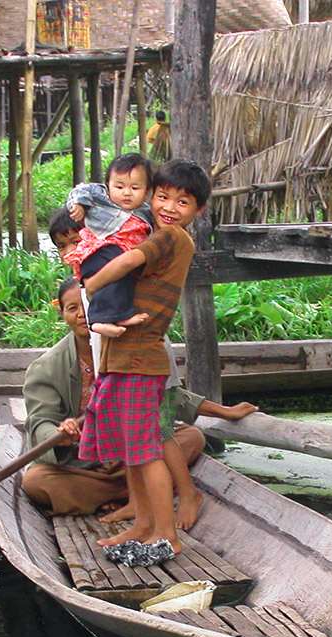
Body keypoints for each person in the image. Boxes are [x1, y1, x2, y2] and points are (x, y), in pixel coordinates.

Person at [22, 275, 257, 523]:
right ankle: (140, 492)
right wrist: (61, 434)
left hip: (133, 456)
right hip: (86, 466)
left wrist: (223, 412)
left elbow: (165, 396)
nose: (82, 315)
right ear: (61, 313)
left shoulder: (125, 344)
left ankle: (133, 495)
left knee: (192, 437)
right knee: (36, 482)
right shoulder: (46, 367)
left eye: (88, 305)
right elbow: (39, 423)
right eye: (72, 308)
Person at [77, 158, 212, 554]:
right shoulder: (153, 230)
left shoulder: (170, 237)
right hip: (123, 358)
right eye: (162, 197)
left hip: (140, 361)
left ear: (198, 211)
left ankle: (166, 532)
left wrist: (90, 283)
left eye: (182, 202)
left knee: (146, 451)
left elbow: (129, 260)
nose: (169, 207)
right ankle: (143, 523)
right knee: (130, 452)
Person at [64, 152, 154, 338]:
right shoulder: (101, 197)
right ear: (108, 186)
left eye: (135, 188)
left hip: (122, 254)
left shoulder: (146, 212)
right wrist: (79, 205)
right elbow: (79, 191)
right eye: (119, 186)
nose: (126, 192)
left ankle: (120, 315)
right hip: (100, 250)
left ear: (146, 192)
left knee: (125, 281)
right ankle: (98, 320)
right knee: (114, 276)